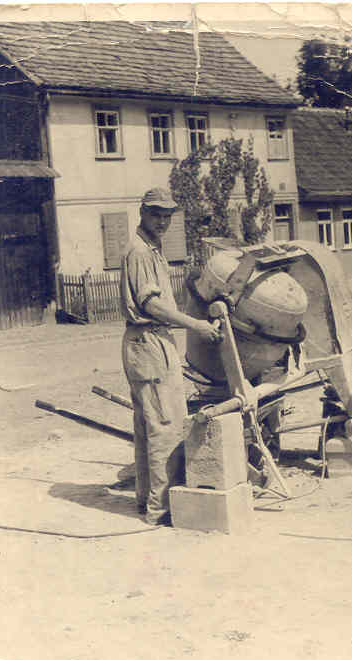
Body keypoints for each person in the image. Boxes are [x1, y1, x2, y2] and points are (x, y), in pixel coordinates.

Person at [120, 188, 220, 525]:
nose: (162, 221)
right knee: (165, 425)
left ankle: (145, 503)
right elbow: (150, 304)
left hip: (147, 342)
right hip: (149, 340)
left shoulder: (150, 248)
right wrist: (196, 325)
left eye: (167, 216)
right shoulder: (140, 253)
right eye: (156, 215)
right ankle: (160, 510)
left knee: (149, 424)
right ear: (142, 213)